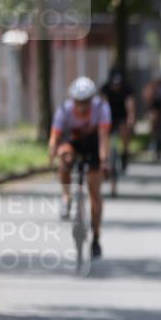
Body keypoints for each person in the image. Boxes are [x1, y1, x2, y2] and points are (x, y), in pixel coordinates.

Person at [49, 76, 112, 259]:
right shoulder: (64, 110)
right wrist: (53, 156)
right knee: (65, 155)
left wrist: (105, 161)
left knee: (94, 191)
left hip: (94, 144)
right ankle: (66, 196)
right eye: (79, 102)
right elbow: (54, 138)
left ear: (92, 100)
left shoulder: (101, 108)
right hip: (74, 142)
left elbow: (103, 138)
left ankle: (96, 237)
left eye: (86, 102)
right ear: (73, 100)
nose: (82, 106)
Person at [100, 67, 136, 196]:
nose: (116, 86)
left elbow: (130, 105)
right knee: (104, 140)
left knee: (124, 131)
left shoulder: (127, 89)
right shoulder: (105, 88)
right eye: (114, 84)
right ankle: (104, 162)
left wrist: (130, 119)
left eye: (118, 84)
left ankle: (125, 153)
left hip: (122, 118)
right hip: (108, 118)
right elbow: (102, 104)